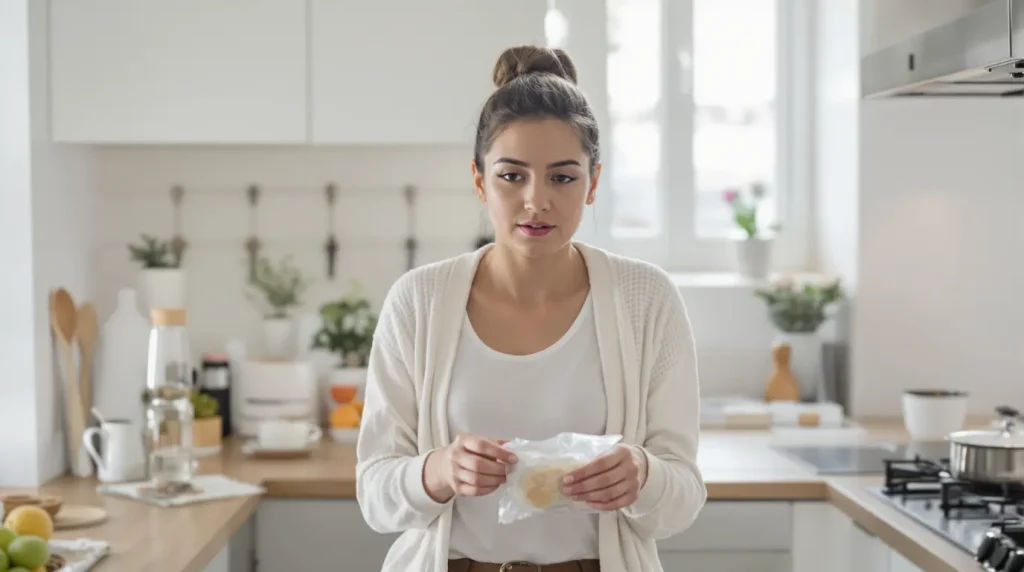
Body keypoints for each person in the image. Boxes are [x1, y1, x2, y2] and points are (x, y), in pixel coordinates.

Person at [355, 44, 706, 572]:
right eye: (512, 175)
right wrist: (440, 470)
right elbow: (374, 492)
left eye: (563, 177)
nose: (536, 201)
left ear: (593, 183)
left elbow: (683, 495)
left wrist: (644, 475)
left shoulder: (646, 300)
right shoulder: (419, 301)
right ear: (479, 180)